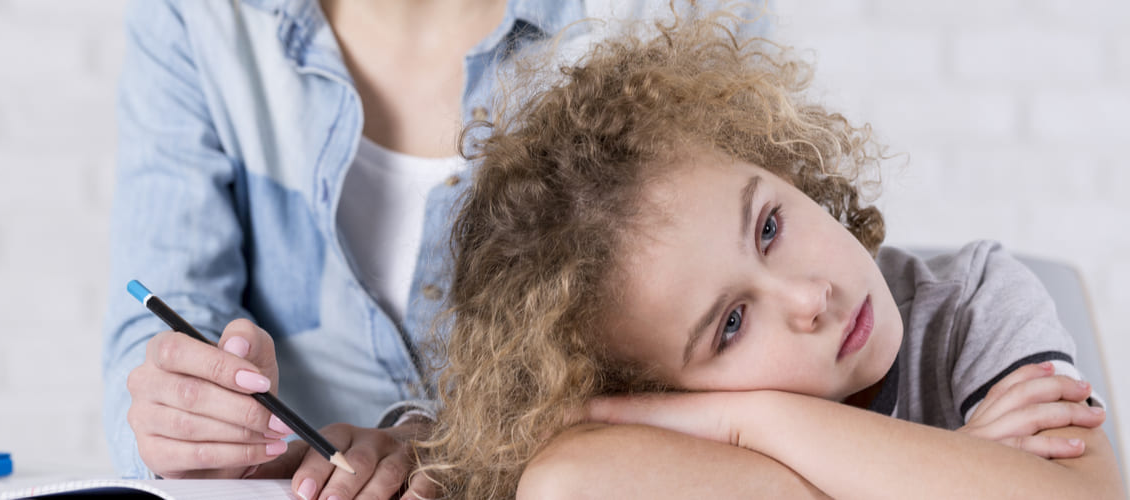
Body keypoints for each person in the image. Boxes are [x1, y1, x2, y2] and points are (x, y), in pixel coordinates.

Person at [415, 6, 1124, 499]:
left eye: (769, 229)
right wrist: (963, 474)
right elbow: (566, 485)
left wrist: (752, 425)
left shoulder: (973, 301)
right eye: (730, 325)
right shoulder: (648, 448)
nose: (810, 298)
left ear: (780, 166)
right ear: (659, 399)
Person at [102, 0, 768, 499]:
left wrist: (461, 453)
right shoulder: (197, 17)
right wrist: (190, 426)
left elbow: (751, 352)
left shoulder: (663, 12)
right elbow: (163, 316)